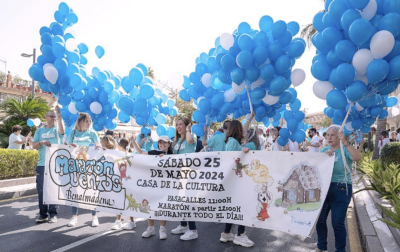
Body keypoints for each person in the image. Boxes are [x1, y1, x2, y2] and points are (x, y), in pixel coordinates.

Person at [311, 125, 361, 252]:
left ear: (339, 136)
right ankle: (321, 247)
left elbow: (357, 157)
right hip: (324, 189)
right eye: (327, 135)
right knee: (320, 220)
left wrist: (345, 142)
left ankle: (340, 250)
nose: (329, 137)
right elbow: (315, 169)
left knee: (337, 223)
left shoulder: (345, 149)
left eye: (332, 135)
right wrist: (324, 158)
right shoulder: (324, 150)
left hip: (342, 189)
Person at [132, 135, 173, 240]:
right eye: (160, 143)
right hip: (152, 185)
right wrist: (133, 141)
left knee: (162, 207)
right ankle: (150, 228)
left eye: (165, 143)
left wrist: (167, 159)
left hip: (165, 186)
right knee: (150, 206)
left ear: (169, 144)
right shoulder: (154, 152)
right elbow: (140, 153)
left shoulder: (173, 155)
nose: (162, 144)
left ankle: (162, 229)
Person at [221, 120, 254, 247]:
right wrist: (243, 152)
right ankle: (240, 235)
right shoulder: (233, 142)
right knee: (241, 207)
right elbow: (230, 159)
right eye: (242, 129)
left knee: (233, 207)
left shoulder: (231, 141)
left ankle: (227, 232)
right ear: (238, 130)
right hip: (235, 182)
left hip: (234, 181)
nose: (244, 131)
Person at [66, 112, 102, 227]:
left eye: (90, 121)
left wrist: (98, 147)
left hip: (89, 165)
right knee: (75, 191)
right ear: (80, 122)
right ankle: (74, 217)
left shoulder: (92, 133)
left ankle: (94, 217)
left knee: (91, 190)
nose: (89, 123)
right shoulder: (73, 132)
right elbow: (66, 146)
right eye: (86, 121)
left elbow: (99, 145)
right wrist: (70, 146)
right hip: (75, 166)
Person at [32, 108, 65, 223]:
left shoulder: (57, 130)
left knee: (53, 189)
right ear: (46, 118)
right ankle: (43, 214)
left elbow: (62, 130)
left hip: (55, 165)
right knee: (41, 191)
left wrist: (60, 115)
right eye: (51, 116)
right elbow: (33, 145)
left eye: (54, 116)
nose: (53, 118)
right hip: (42, 165)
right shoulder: (39, 131)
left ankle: (53, 214)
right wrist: (41, 142)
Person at [170, 117, 198, 241]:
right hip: (178, 175)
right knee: (180, 201)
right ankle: (183, 225)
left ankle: (193, 230)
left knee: (187, 201)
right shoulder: (176, 142)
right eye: (177, 125)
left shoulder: (191, 137)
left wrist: (188, 130)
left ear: (187, 126)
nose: (178, 127)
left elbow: (190, 141)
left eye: (181, 124)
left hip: (189, 175)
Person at [102, 136, 137, 231]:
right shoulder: (116, 153)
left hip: (128, 183)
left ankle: (132, 221)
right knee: (118, 201)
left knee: (129, 201)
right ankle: (118, 221)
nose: (116, 146)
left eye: (118, 144)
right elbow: (106, 153)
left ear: (120, 146)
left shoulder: (130, 155)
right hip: (118, 181)